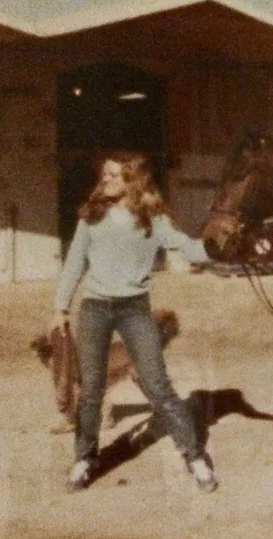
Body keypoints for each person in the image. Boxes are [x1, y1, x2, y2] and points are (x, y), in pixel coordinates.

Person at [49, 151, 217, 493]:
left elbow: (186, 247)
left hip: (134, 309)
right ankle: (84, 459)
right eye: (105, 175)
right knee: (92, 389)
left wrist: (220, 248)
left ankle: (195, 457)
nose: (105, 180)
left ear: (133, 182)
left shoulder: (152, 221)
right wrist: (60, 308)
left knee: (158, 386)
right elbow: (74, 264)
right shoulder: (91, 217)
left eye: (114, 175)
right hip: (94, 308)